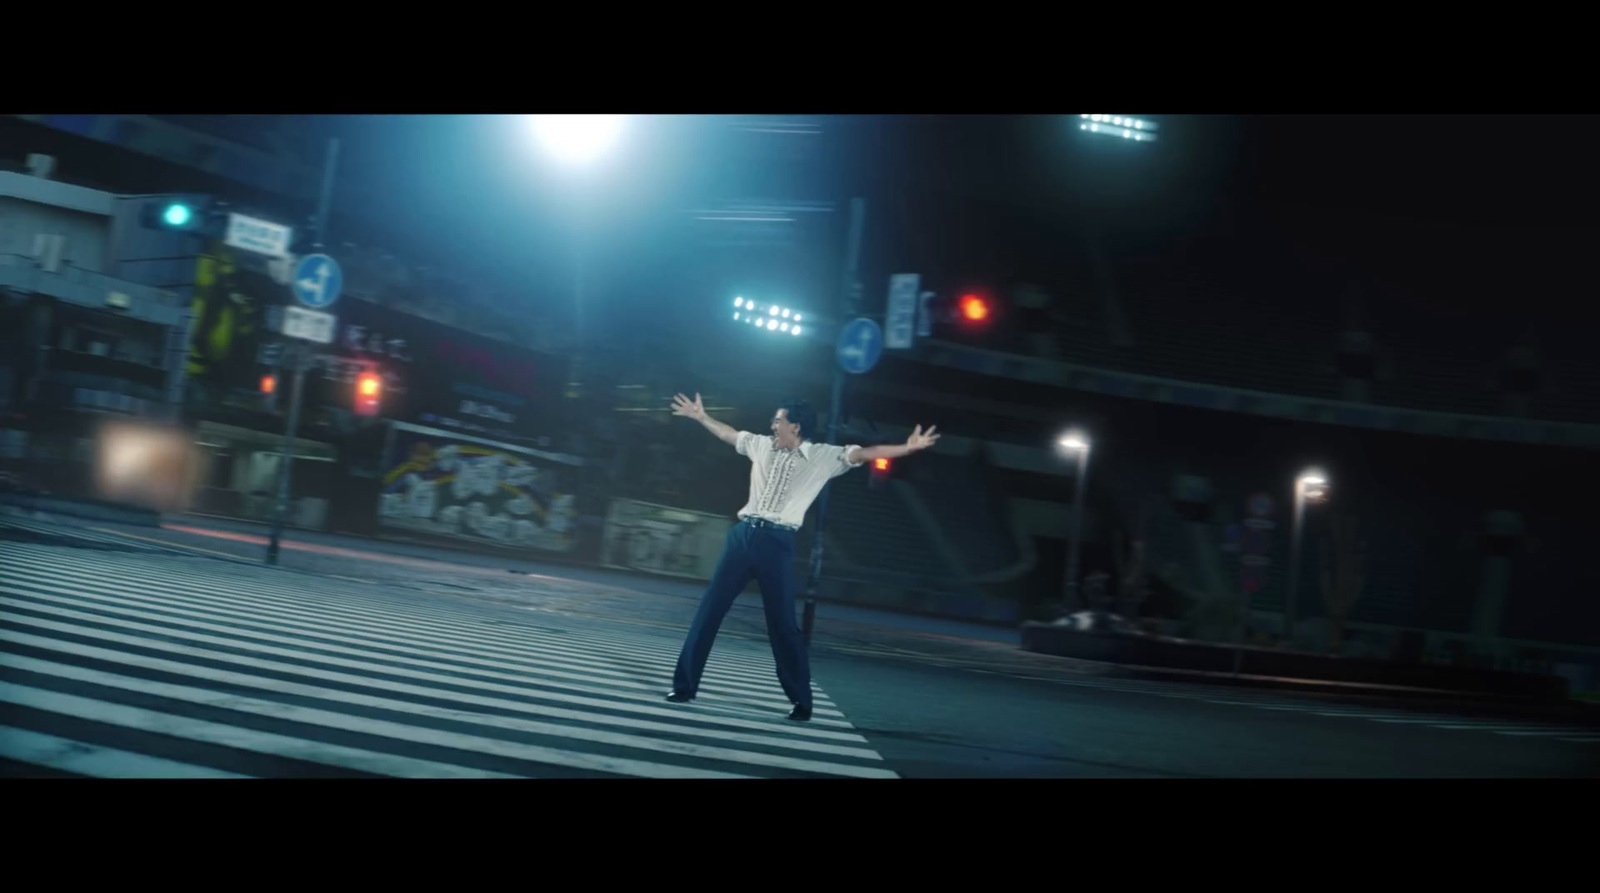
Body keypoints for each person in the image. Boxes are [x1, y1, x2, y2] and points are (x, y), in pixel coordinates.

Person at [664, 392, 940, 720]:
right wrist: (700, 417)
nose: (772, 424)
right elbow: (728, 433)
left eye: (777, 420)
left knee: (782, 625)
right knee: (709, 611)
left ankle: (801, 701)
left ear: (795, 427)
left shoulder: (823, 457)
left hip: (777, 544)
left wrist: (906, 447)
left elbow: (867, 453)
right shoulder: (761, 444)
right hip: (742, 538)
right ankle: (684, 687)